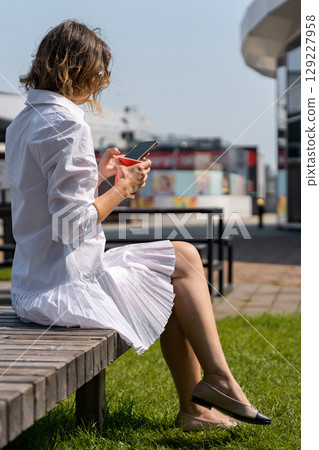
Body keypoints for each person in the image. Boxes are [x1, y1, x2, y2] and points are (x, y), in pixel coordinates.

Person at [5, 20, 271, 431]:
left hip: (32, 284)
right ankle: (211, 387)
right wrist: (123, 188)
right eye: (98, 74)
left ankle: (199, 405)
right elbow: (69, 226)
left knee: (175, 266)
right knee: (181, 261)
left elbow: (43, 201)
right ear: (77, 69)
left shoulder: (26, 119)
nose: (100, 85)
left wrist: (97, 175)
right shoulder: (69, 123)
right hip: (65, 288)